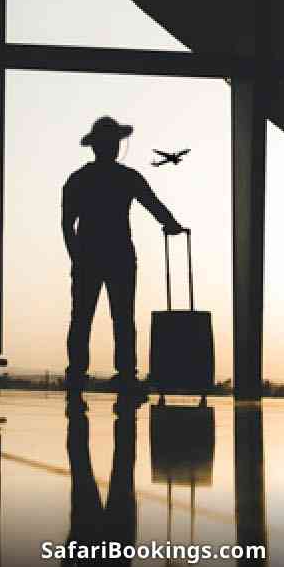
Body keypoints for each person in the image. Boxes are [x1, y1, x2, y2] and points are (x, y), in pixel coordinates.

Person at [62, 116, 183, 394]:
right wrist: (171, 224)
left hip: (88, 255)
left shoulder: (79, 179)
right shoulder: (126, 177)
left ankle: (77, 374)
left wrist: (75, 256)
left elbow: (67, 224)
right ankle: (126, 374)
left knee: (81, 317)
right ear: (114, 146)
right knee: (123, 317)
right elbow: (153, 204)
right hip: (119, 255)